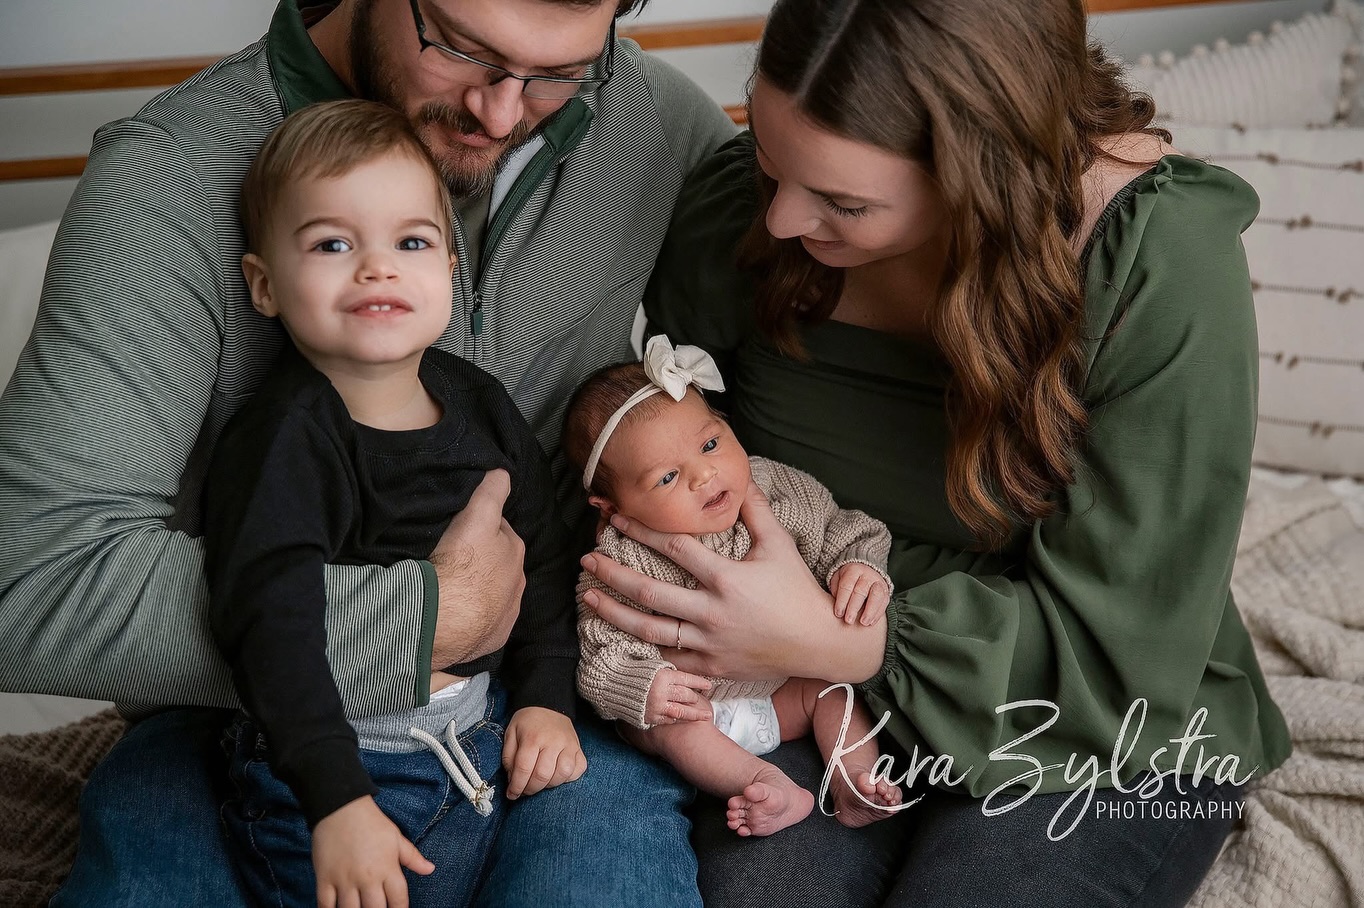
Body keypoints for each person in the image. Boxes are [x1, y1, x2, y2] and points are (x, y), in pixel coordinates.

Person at [0, 0, 736, 905]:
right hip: (244, 726)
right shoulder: (166, 180)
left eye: (557, 74)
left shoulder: (662, 131)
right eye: (462, 49)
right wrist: (412, 621)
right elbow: (31, 580)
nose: (503, 113)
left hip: (562, 702)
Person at [578, 0, 1294, 904]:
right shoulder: (748, 208)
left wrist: (843, 640)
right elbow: (666, 464)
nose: (788, 217)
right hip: (805, 690)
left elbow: (1125, 647)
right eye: (768, 149)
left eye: (844, 203)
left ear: (983, 179)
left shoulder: (1153, 260)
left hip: (1096, 719)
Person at [205, 99, 585, 908]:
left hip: (480, 738)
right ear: (264, 285)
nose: (376, 267)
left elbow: (544, 554)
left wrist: (549, 700)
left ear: (449, 265)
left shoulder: (480, 403)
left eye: (410, 242)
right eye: (333, 244)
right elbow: (270, 622)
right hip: (331, 766)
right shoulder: (283, 439)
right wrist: (335, 801)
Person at [563, 336, 902, 837]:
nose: (705, 475)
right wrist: (646, 686)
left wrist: (860, 565)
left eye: (710, 444)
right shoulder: (617, 562)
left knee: (833, 689)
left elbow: (850, 527)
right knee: (665, 728)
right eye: (668, 477)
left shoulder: (776, 491)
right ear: (612, 509)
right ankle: (768, 784)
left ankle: (853, 779)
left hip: (787, 692)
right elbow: (601, 655)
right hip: (698, 714)